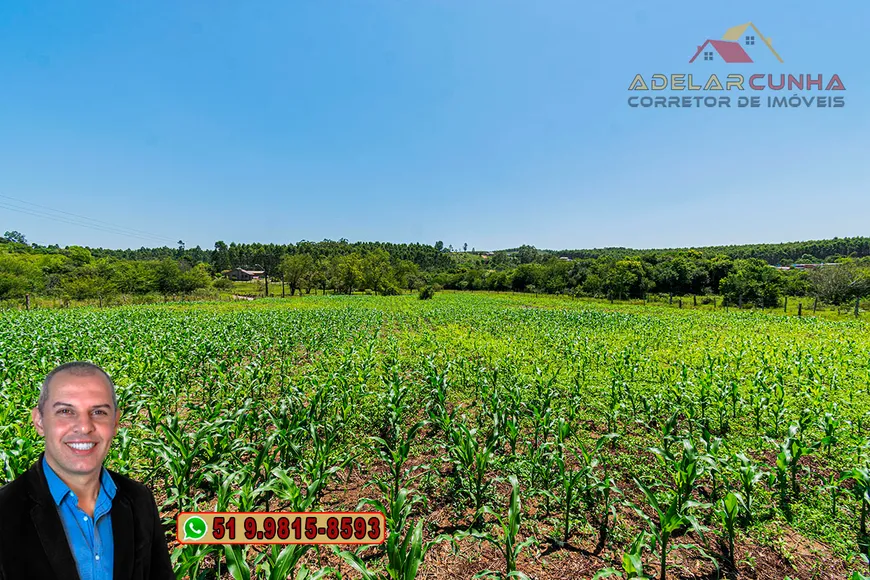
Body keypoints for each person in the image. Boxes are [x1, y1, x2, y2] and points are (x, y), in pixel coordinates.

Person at [0, 361, 174, 580]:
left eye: (99, 412)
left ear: (115, 422)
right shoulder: (5, 511)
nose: (84, 426)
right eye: (65, 411)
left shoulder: (139, 500)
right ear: (39, 421)